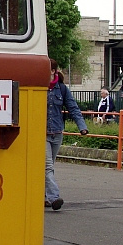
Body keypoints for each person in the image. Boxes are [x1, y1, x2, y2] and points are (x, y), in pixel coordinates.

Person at [45, 59, 88, 211]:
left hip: (57, 133)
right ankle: (54, 197)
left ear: (53, 71)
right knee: (47, 166)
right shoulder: (38, 88)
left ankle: (44, 196)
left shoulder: (62, 89)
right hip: (42, 134)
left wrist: (82, 127)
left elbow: (73, 108)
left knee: (49, 166)